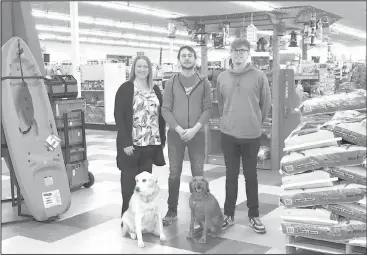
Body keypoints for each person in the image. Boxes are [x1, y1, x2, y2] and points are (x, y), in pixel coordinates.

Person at [216, 38, 271, 234]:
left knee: (251, 176)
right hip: (228, 134)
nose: (238, 54)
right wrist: (227, 120)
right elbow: (220, 104)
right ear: (230, 53)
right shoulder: (222, 77)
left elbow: (266, 104)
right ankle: (228, 215)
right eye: (235, 50)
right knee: (230, 176)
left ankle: (253, 216)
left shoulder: (259, 76)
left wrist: (256, 122)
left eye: (242, 51)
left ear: (249, 54)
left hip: (251, 135)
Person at [161, 45, 212, 225]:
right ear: (179, 60)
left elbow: (207, 109)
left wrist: (194, 129)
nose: (187, 58)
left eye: (190, 55)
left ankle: (200, 212)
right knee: (174, 173)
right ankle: (172, 210)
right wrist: (179, 129)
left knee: (198, 174)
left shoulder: (204, 82)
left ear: (195, 59)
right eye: (183, 56)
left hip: (197, 135)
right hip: (176, 135)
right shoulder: (171, 83)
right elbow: (165, 109)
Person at [114, 55, 166, 226]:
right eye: (139, 66)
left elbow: (161, 116)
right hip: (132, 145)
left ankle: (141, 221)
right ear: (133, 69)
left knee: (144, 188)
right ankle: (126, 219)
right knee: (129, 184)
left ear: (150, 70)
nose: (142, 69)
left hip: (150, 145)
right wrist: (125, 142)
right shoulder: (126, 88)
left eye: (145, 67)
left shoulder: (155, 89)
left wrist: (161, 141)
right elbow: (119, 117)